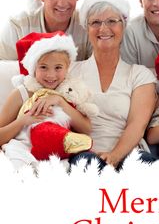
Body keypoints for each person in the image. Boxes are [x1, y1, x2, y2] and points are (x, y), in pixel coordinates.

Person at [69, 0, 157, 170]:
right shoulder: (71, 71)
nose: (104, 28)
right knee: (88, 164)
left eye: (111, 21)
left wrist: (114, 156)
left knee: (146, 166)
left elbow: (137, 124)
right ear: (87, 28)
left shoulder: (139, 74)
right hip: (86, 153)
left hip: (129, 153)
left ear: (123, 26)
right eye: (95, 22)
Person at [0, 32, 93, 170]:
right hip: (25, 153)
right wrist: (23, 121)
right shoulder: (22, 93)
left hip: (60, 155)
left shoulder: (70, 92)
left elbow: (86, 129)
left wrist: (60, 101)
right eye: (43, 67)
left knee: (89, 161)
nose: (51, 75)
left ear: (67, 68)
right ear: (33, 68)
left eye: (58, 68)